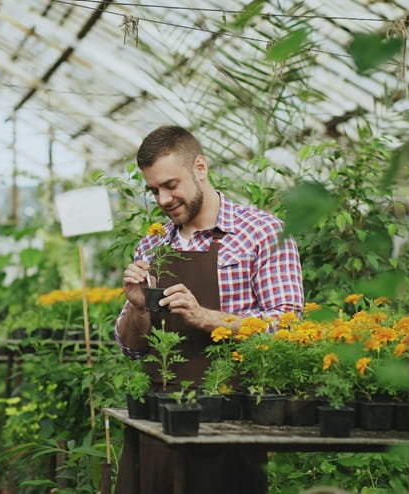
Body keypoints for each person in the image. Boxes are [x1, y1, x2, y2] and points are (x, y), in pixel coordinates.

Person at [114, 126, 304, 494]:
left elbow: (289, 326)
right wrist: (138, 309)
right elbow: (131, 348)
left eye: (171, 185)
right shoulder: (153, 244)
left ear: (200, 167)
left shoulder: (261, 233)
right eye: (154, 190)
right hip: (158, 422)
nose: (163, 199)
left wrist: (206, 318)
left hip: (229, 423)